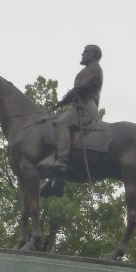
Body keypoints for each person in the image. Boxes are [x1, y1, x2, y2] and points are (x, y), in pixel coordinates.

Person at [38, 44, 104, 175]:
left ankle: (62, 161)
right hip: (79, 105)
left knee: (62, 122)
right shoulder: (88, 69)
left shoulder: (94, 68)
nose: (82, 54)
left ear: (93, 55)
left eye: (86, 52)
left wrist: (66, 98)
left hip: (86, 107)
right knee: (56, 120)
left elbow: (82, 87)